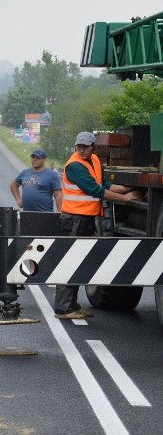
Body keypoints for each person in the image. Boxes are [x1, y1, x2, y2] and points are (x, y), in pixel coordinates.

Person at [55, 132, 139, 319]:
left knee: (78, 261)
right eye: (79, 146)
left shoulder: (93, 161)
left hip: (85, 219)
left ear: (94, 146)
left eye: (85, 146)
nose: (82, 149)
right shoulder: (75, 166)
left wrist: (126, 189)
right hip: (74, 219)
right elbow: (96, 190)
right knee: (70, 262)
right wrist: (124, 198)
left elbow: (105, 184)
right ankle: (63, 308)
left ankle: (72, 306)